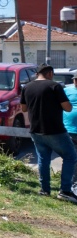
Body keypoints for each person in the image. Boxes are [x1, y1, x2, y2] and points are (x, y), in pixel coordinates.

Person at [20, 64, 77, 203]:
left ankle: (44, 190)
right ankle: (65, 190)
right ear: (50, 73)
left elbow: (24, 108)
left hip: (35, 130)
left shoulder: (27, 87)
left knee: (43, 159)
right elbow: (68, 108)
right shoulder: (54, 86)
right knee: (70, 156)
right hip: (55, 130)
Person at [63, 74, 77, 145]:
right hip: (70, 128)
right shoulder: (66, 90)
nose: (76, 82)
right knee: (70, 153)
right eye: (75, 79)